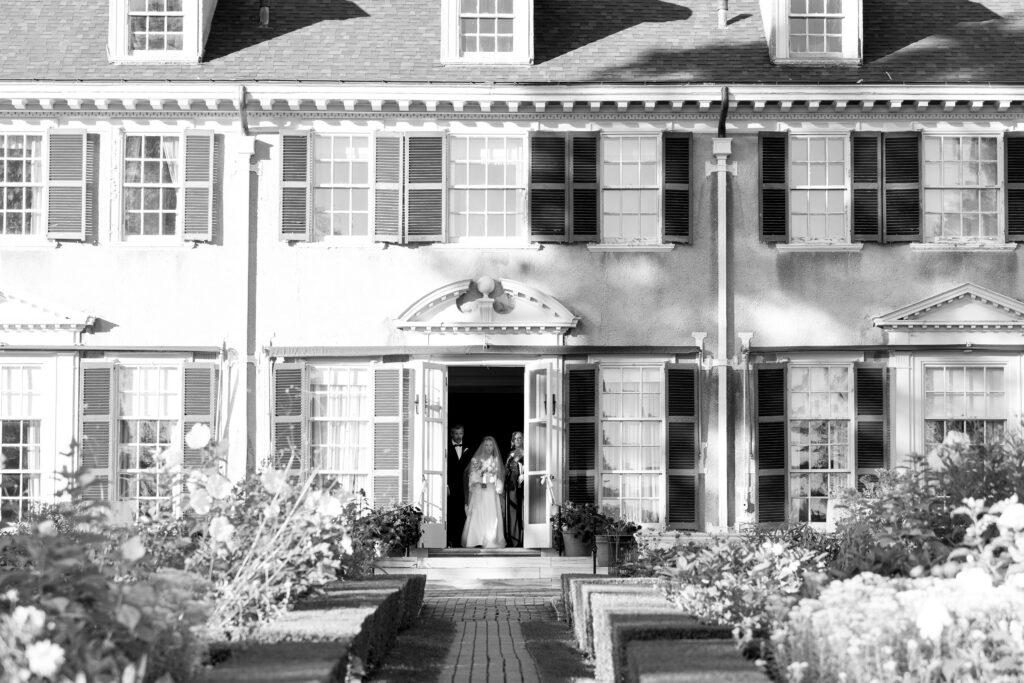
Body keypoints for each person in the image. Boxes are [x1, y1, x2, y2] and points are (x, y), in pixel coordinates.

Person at [461, 436, 507, 549]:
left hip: (491, 491)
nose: (488, 447)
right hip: (479, 491)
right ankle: (476, 539)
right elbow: (472, 476)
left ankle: (490, 539)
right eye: (486, 445)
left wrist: (495, 482)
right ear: (483, 446)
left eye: (491, 445)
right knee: (478, 514)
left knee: (491, 515)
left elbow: (499, 477)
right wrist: (480, 480)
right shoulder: (476, 459)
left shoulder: (495, 460)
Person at [446, 424, 473, 548]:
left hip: (465, 485)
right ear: (451, 434)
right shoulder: (446, 446)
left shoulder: (469, 446)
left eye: (460, 433)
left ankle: (463, 541)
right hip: (451, 486)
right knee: (451, 513)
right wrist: (446, 485)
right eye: (456, 433)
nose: (458, 436)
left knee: (463, 512)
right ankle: (451, 540)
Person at [504, 431, 525, 547]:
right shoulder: (510, 453)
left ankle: (522, 539)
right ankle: (513, 539)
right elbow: (506, 469)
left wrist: (524, 475)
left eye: (520, 438)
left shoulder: (526, 452)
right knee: (512, 511)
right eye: (515, 438)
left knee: (522, 510)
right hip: (511, 485)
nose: (517, 440)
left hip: (523, 484)